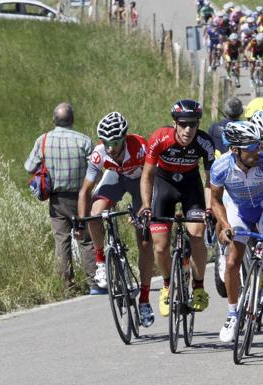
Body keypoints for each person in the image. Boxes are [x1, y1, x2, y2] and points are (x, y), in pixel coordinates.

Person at [210, 121, 263, 342]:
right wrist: (226, 225)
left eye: (258, 145)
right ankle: (232, 314)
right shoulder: (220, 167)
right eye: (251, 147)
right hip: (239, 209)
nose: (258, 150)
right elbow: (215, 200)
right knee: (232, 261)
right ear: (235, 149)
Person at [75, 112, 155, 327]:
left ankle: (145, 300)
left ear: (124, 137)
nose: (111, 147)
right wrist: (80, 222)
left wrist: (146, 209)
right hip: (116, 178)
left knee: (145, 242)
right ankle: (101, 260)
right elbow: (85, 191)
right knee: (95, 212)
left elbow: (152, 178)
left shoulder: (140, 146)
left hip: (140, 182)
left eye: (116, 142)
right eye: (106, 142)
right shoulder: (99, 154)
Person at [139, 99, 215, 317]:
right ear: (175, 123)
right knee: (160, 246)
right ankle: (166, 286)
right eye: (183, 124)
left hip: (191, 185)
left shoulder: (204, 142)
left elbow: (211, 181)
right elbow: (147, 176)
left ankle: (198, 287)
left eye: (193, 124)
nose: (188, 130)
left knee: (197, 233)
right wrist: (145, 205)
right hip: (164, 185)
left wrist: (209, 208)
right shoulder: (159, 138)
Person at [24, 102, 98, 294]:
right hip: (82, 197)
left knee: (62, 240)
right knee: (87, 240)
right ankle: (94, 282)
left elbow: (29, 167)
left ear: (54, 120)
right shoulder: (84, 141)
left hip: (57, 200)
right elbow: (96, 168)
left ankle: (67, 286)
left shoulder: (44, 140)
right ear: (72, 119)